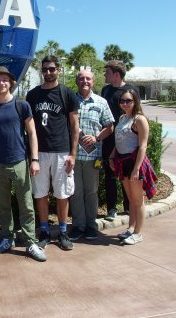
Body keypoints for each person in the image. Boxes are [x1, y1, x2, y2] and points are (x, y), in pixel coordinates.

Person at [0, 66, 47, 262]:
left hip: (19, 161)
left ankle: (30, 242)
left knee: (26, 204)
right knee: (3, 206)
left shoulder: (22, 105)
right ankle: (7, 238)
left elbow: (32, 133)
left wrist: (34, 160)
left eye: (5, 80)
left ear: (11, 83)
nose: (1, 83)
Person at [25, 56, 79, 251]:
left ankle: (63, 231)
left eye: (51, 69)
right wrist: (33, 157)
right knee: (40, 193)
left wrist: (73, 154)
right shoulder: (32, 95)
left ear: (59, 70)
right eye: (45, 69)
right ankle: (45, 231)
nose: (48, 73)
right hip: (39, 152)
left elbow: (75, 127)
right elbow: (29, 128)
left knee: (62, 194)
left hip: (61, 152)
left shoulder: (67, 94)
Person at [69, 69, 114, 241]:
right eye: (81, 79)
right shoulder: (70, 100)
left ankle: (91, 226)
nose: (85, 81)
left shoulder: (101, 102)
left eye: (88, 78)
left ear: (93, 81)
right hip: (74, 155)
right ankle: (78, 226)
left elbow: (110, 126)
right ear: (77, 81)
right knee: (75, 192)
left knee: (91, 191)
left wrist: (96, 138)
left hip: (93, 156)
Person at [108, 89, 157, 245]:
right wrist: (112, 156)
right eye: (122, 101)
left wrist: (136, 169)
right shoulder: (122, 118)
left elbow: (143, 146)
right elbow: (119, 140)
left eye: (128, 100)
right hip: (122, 162)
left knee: (138, 201)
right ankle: (130, 228)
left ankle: (138, 233)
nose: (125, 103)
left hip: (134, 162)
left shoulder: (139, 119)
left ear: (135, 101)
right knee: (130, 199)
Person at [100, 60, 137, 220]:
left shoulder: (131, 90)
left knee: (127, 174)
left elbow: (138, 114)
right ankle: (112, 209)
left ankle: (129, 207)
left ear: (116, 74)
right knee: (110, 174)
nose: (104, 75)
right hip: (109, 139)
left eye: (107, 72)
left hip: (127, 140)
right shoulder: (105, 90)